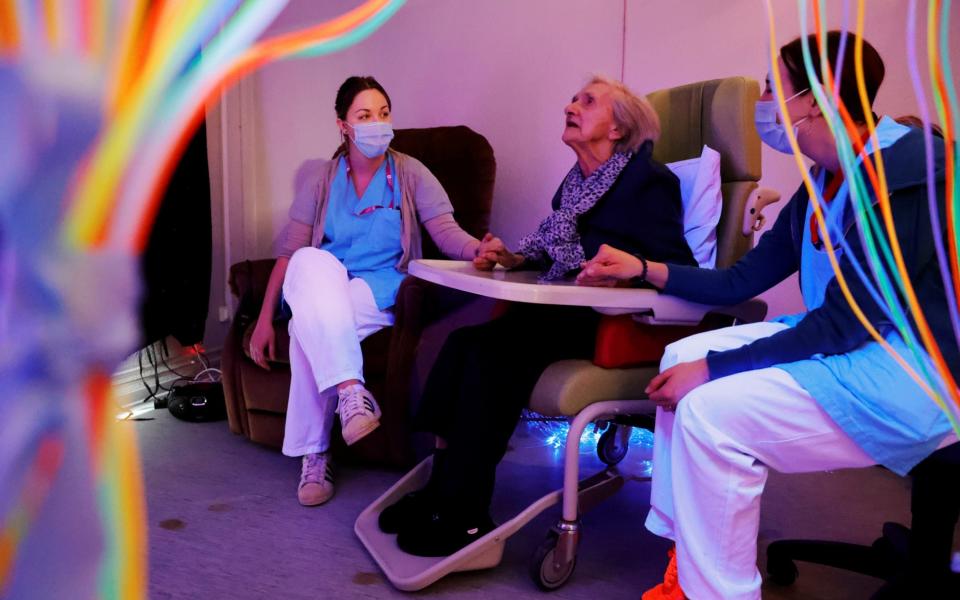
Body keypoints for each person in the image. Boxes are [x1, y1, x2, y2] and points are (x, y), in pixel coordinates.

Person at [577, 32, 956, 600]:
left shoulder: (907, 173)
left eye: (777, 87)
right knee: (682, 352)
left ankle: (721, 592)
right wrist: (643, 267)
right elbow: (741, 281)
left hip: (910, 371)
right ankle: (688, 565)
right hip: (853, 343)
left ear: (817, 97)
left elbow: (843, 324)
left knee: (711, 411)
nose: (766, 102)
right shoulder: (822, 184)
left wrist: (714, 371)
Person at [379, 75, 698, 556]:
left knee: (492, 358)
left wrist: (627, 272)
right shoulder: (574, 187)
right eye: (573, 97)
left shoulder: (649, 182)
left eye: (588, 102)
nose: (571, 105)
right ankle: (441, 488)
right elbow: (555, 252)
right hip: (564, 313)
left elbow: (676, 267)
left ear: (617, 130)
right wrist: (512, 257)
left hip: (614, 325)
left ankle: (467, 514)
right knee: (463, 343)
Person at [248, 76, 495, 507]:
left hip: (381, 289)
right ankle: (351, 394)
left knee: (311, 329)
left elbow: (448, 233)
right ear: (343, 125)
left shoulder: (411, 173)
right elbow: (289, 257)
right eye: (364, 116)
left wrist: (479, 248)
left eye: (383, 113)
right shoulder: (322, 181)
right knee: (310, 262)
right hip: (321, 284)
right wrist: (265, 320)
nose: (376, 124)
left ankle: (314, 453)